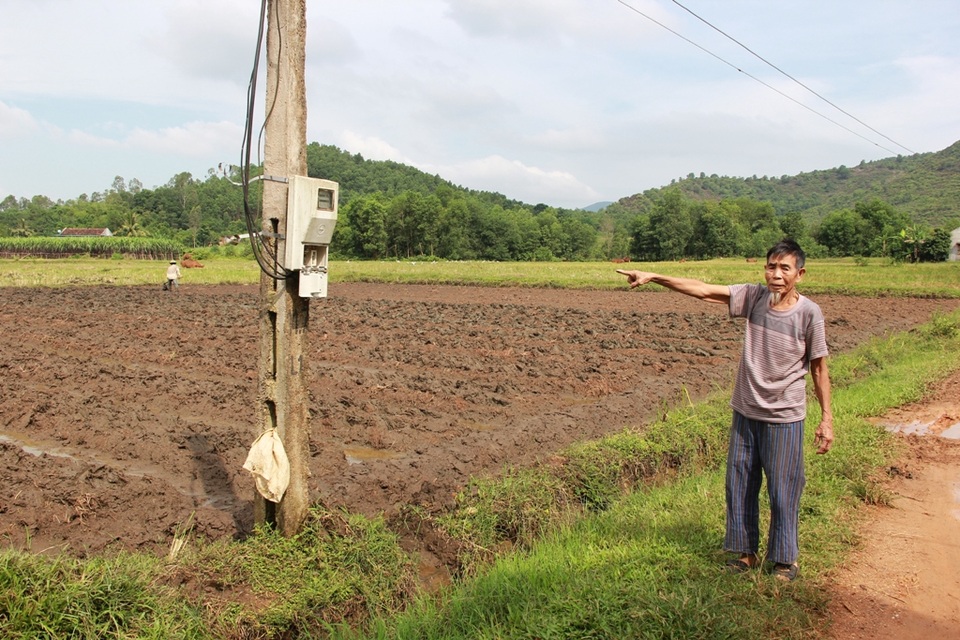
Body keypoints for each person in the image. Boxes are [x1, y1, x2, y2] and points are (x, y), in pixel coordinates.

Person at [616, 239, 833, 582]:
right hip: (745, 410)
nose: (776, 274)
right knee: (740, 483)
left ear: (800, 274)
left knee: (783, 489)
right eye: (770, 267)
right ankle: (744, 552)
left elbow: (820, 368)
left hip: (784, 416)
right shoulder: (754, 297)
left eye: (784, 268)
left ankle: (784, 559)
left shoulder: (809, 313)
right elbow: (702, 290)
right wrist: (654, 276)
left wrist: (827, 419)